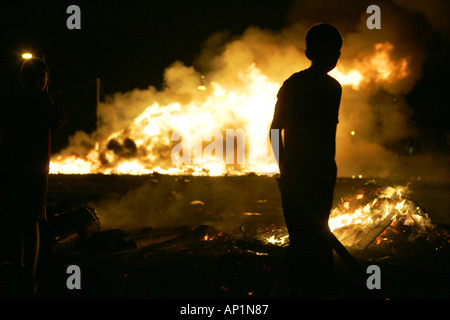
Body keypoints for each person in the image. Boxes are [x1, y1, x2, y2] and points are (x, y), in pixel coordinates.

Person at [270, 23, 343, 298]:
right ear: (310, 52)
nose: (334, 56)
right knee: (310, 240)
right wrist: (286, 170)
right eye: (330, 50)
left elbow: (276, 130)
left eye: (336, 51)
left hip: (312, 176)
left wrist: (285, 170)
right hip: (308, 176)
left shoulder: (319, 87)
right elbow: (277, 130)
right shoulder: (318, 87)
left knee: (309, 239)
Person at [0, 58, 65, 298]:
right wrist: (46, 94)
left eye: (42, 78)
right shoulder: (37, 103)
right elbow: (56, 121)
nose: (38, 83)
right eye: (35, 78)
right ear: (24, 80)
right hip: (28, 171)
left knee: (22, 221)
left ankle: (23, 272)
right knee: (28, 222)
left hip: (17, 169)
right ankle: (27, 275)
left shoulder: (11, 101)